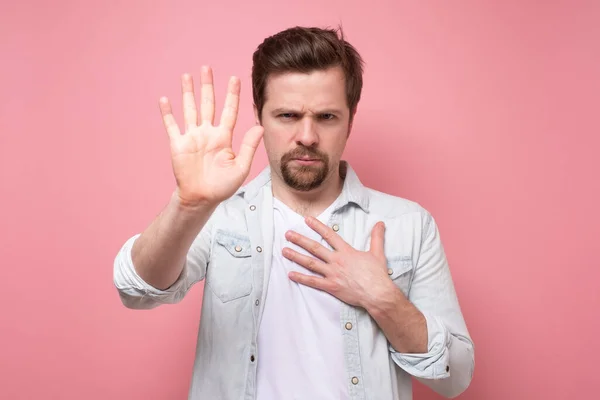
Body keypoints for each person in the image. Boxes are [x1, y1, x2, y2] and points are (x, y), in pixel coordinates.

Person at [113, 25, 474, 400]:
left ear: (351, 119)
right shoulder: (220, 216)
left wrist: (384, 299)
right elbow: (136, 291)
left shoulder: (409, 224)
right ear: (260, 117)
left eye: (327, 117)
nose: (307, 136)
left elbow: (455, 377)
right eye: (287, 115)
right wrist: (187, 205)